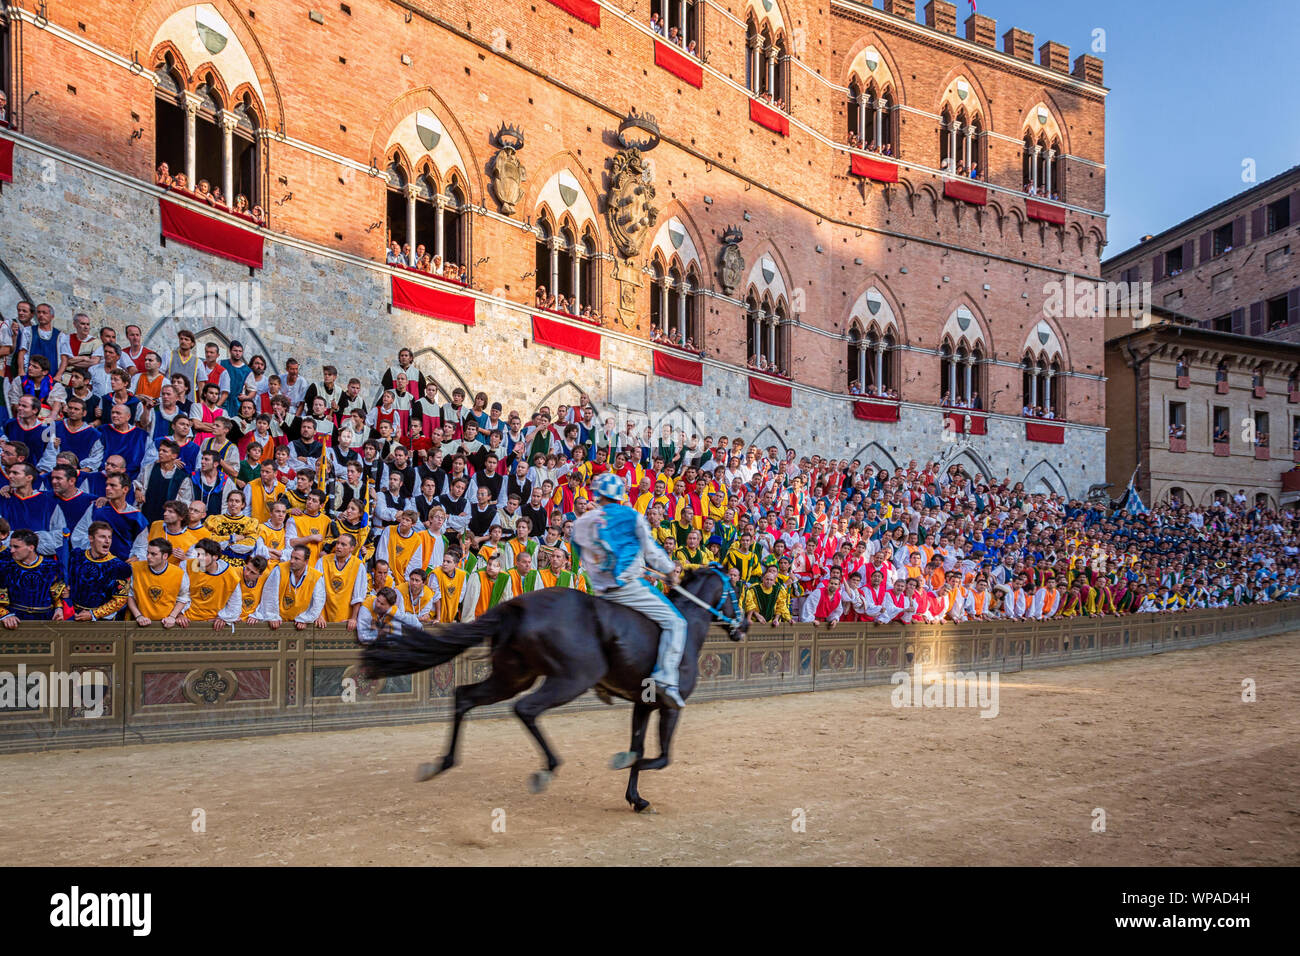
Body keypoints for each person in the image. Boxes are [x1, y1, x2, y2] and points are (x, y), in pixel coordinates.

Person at [572, 472, 685, 709]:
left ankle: (603, 679)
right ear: (620, 496)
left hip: (599, 591)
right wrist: (670, 571)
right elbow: (652, 551)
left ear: (598, 494)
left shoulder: (582, 521)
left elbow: (581, 553)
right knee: (677, 623)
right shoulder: (632, 516)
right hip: (627, 588)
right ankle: (665, 679)